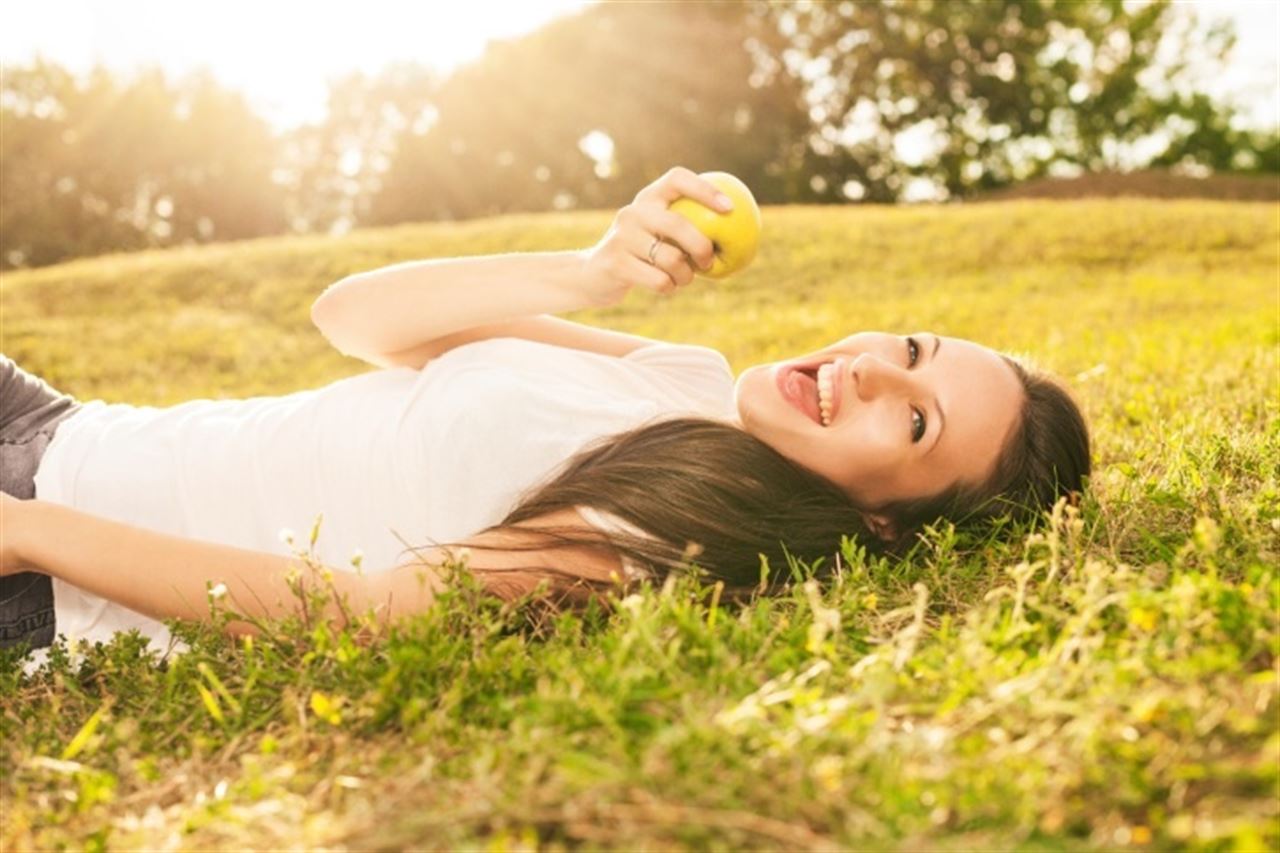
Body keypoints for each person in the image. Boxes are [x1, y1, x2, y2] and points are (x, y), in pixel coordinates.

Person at [0, 167, 1090, 655]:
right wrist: (591, 270)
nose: (867, 372)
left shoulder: (669, 542)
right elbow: (357, 318)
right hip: (60, 428)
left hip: (42, 576)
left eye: (911, 422)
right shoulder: (681, 372)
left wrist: (28, 534)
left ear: (891, 520)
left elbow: (356, 611)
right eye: (906, 349)